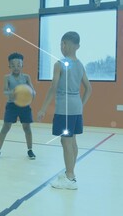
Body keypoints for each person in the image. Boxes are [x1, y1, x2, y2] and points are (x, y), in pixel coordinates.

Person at [37, 32, 92, 190]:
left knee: (66, 142)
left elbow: (53, 87)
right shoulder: (80, 64)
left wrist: (43, 108)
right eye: (62, 44)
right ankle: (70, 172)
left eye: (64, 44)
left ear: (67, 45)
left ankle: (70, 178)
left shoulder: (59, 64)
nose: (62, 47)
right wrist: (81, 104)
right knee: (72, 141)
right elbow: (89, 89)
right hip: (76, 107)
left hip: (64, 108)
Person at [0, 52, 36, 160]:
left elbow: (33, 91)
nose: (16, 67)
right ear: (9, 66)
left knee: (27, 128)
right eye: (13, 65)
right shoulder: (7, 78)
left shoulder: (26, 77)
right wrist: (13, 93)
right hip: (12, 106)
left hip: (24, 106)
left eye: (19, 65)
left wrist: (32, 94)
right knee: (6, 127)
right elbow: (5, 91)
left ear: (22, 65)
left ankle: (30, 150)